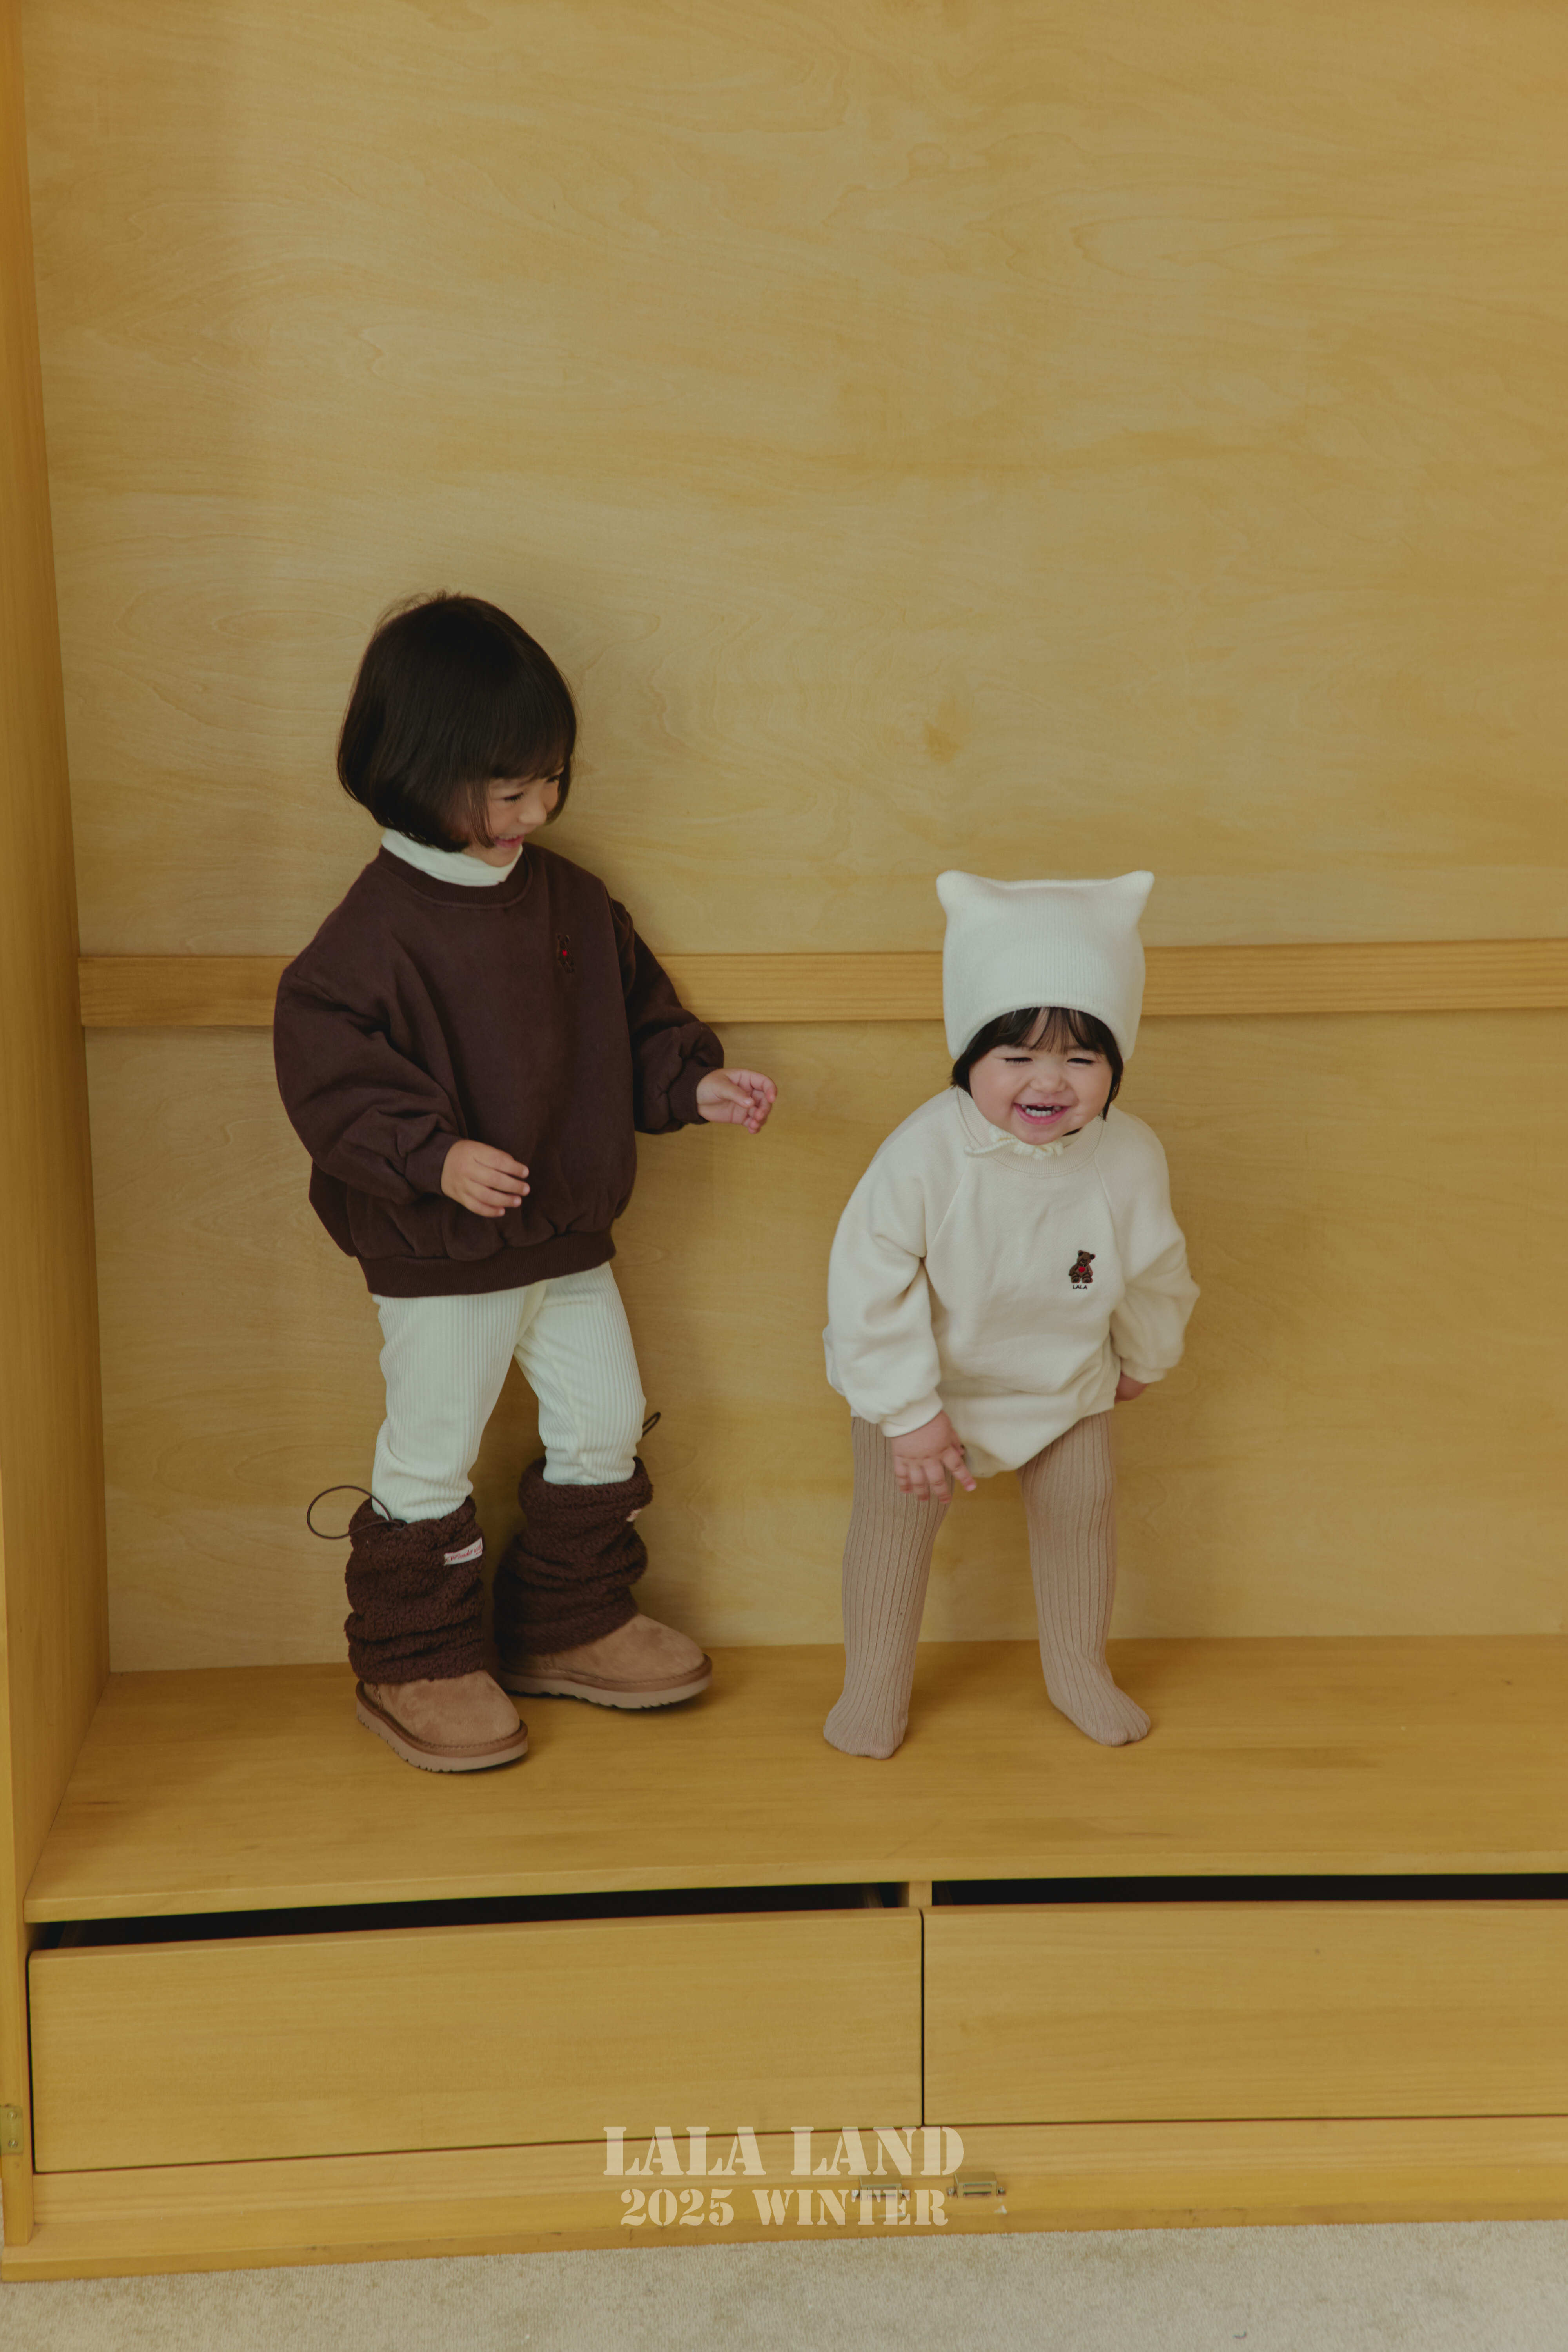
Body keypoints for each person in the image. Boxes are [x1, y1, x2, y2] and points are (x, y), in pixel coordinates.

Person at [274, 593, 776, 1772]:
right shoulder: (369, 937)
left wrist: (693, 1085)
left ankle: (571, 1621)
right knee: (432, 1447)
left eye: (551, 781)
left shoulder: (570, 902)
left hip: (568, 1241)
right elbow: (331, 1080)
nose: (537, 811)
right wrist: (436, 1157)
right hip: (441, 1260)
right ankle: (414, 1658)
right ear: (416, 772)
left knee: (604, 1423)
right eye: (508, 791)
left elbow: (637, 1022)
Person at [821, 870, 1196, 1759]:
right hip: (928, 1389)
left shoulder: (1127, 1158)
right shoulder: (926, 1153)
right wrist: (908, 1413)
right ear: (969, 1059)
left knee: (1082, 1514)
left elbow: (1157, 1271)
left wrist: (1145, 1357)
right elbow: (867, 1283)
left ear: (1115, 1067)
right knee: (892, 1531)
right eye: (1017, 1057)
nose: (1049, 1081)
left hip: (1063, 1382)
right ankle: (872, 1687)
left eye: (1081, 1059)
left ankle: (1078, 1669)